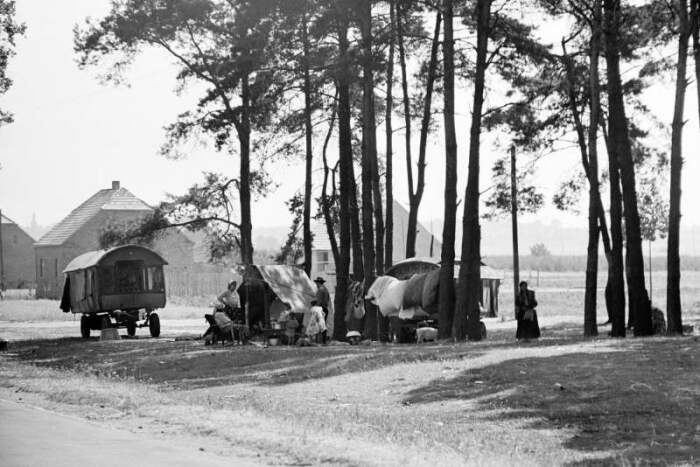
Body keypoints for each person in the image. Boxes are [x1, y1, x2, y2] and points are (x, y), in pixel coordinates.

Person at [314, 277, 331, 342]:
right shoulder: (326, 289)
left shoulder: (320, 290)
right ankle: (323, 340)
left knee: (319, 324)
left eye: (316, 283)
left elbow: (319, 301)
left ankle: (319, 340)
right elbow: (328, 300)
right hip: (325, 308)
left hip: (320, 308)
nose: (316, 285)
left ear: (318, 283)